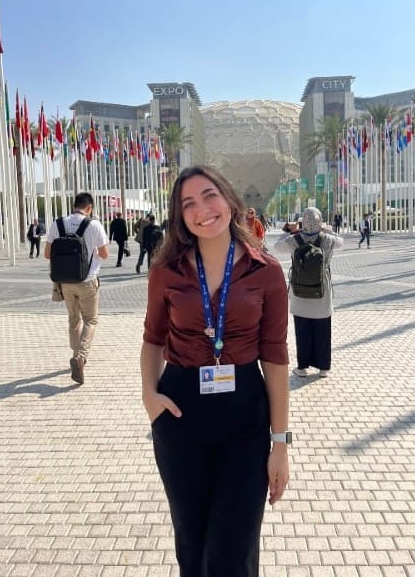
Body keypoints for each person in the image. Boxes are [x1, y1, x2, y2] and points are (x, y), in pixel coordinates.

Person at [140, 165, 290, 576]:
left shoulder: (266, 271)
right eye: (188, 203)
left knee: (232, 551)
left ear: (229, 199)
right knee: (191, 545)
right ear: (179, 215)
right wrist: (149, 396)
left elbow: (275, 358)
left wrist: (280, 444)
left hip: (245, 417)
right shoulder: (167, 270)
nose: (202, 210)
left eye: (209, 196)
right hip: (180, 412)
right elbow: (153, 338)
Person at [44, 192, 109, 385]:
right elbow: (105, 255)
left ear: (75, 205)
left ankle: (75, 354)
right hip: (87, 281)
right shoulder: (94, 225)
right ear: (89, 207)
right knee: (90, 320)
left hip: (65, 282)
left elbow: (47, 254)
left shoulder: (58, 224)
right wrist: (95, 251)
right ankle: (80, 357)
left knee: (74, 319)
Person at [275, 206, 343, 378]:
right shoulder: (327, 239)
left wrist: (287, 231)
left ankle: (303, 367)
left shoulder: (294, 240)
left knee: (302, 330)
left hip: (300, 291)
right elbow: (341, 241)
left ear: (302, 222)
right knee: (323, 330)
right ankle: (324, 368)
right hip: (322, 291)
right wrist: (327, 229)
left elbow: (277, 247)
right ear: (319, 221)